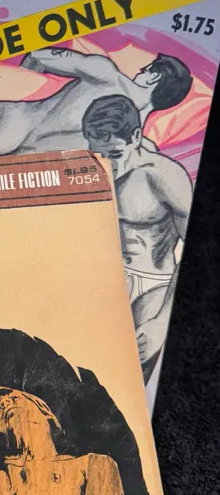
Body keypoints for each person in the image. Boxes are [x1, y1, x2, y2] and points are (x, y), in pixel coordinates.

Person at [0, 47, 192, 163]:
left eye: (148, 67)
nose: (141, 69)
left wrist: (23, 77)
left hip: (10, 125)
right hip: (27, 167)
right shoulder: (138, 145)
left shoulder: (106, 73)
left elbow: (40, 58)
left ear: (153, 77)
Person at [82, 94, 192, 376]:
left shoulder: (163, 176)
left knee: (133, 368)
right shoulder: (85, 170)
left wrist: (161, 323)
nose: (108, 165)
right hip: (105, 279)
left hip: (153, 284)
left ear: (135, 137)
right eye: (98, 154)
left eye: (116, 154)